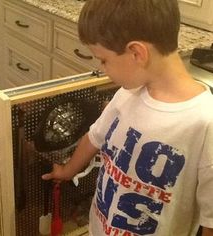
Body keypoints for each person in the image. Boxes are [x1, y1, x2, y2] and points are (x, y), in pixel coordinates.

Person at [42, 0, 213, 235]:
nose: (103, 68)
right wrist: (68, 171)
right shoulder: (126, 94)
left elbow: (210, 217)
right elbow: (95, 137)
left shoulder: (205, 123)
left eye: (104, 60)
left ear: (137, 53)